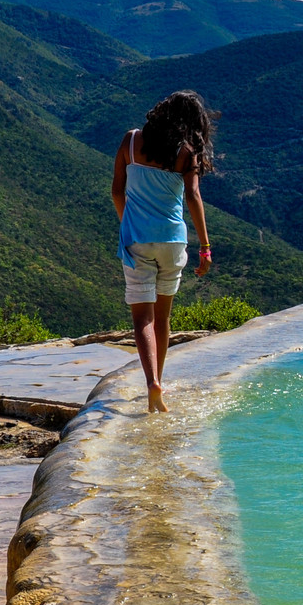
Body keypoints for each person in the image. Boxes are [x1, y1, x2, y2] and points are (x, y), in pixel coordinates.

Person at [111, 90, 214, 412]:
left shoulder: (130, 142)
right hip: (173, 240)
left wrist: (129, 224)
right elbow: (193, 197)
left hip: (137, 240)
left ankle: (152, 381)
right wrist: (206, 248)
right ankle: (161, 381)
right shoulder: (187, 152)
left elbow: (116, 190)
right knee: (163, 317)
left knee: (142, 317)